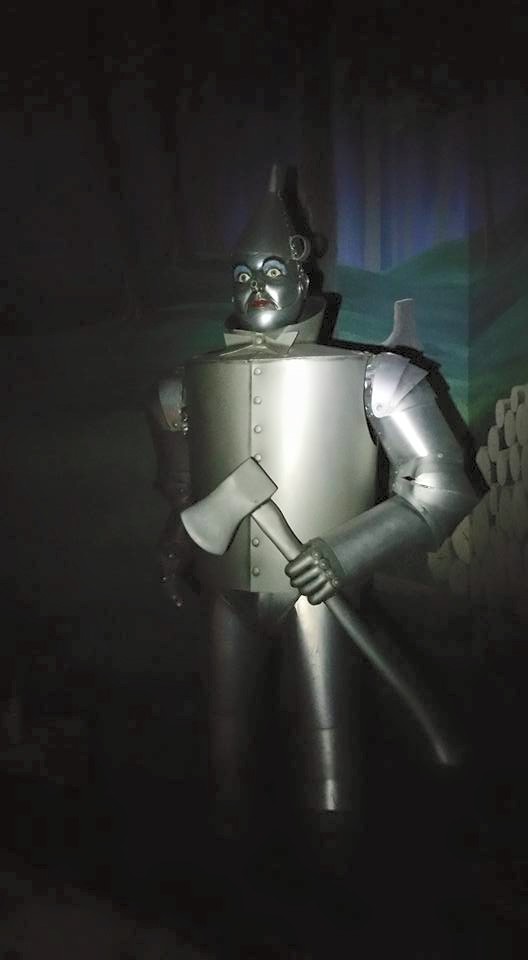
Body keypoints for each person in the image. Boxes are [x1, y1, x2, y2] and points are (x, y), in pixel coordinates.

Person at [146, 166, 476, 867]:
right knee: (225, 734)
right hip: (227, 583)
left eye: (272, 271)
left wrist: (346, 551)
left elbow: (441, 485)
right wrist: (177, 547)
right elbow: (182, 488)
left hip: (317, 590)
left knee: (331, 745)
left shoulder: (378, 376)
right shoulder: (181, 388)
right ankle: (229, 849)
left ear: (302, 277)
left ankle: (336, 859)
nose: (257, 287)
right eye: (243, 274)